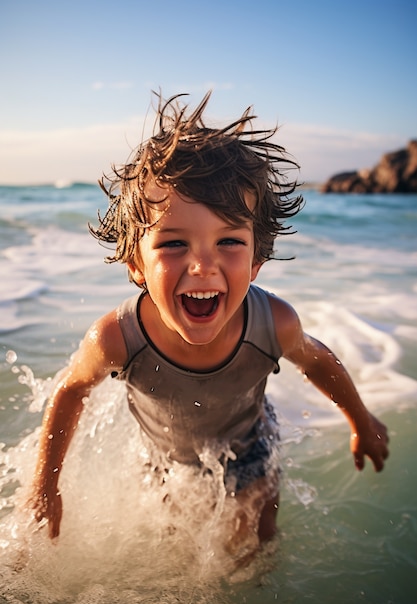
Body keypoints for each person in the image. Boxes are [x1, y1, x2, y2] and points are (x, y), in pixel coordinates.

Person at [28, 92, 389, 558]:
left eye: (229, 242)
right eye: (174, 243)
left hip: (250, 449)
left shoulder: (271, 323)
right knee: (171, 550)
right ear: (135, 262)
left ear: (257, 260)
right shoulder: (119, 337)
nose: (202, 265)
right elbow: (71, 389)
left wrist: (361, 420)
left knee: (253, 548)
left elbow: (317, 360)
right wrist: (45, 486)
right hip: (162, 459)